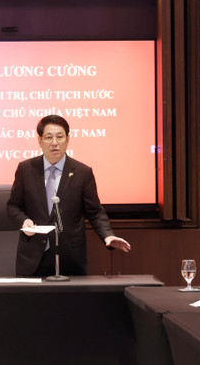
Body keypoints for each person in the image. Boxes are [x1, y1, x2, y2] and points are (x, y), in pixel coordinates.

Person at [7, 115, 131, 276]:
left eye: (59, 137)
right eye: (49, 137)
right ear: (40, 140)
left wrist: (108, 236)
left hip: (70, 258)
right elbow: (13, 206)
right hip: (33, 256)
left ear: (67, 139)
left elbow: (95, 212)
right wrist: (24, 221)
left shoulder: (82, 172)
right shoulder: (26, 169)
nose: (54, 143)